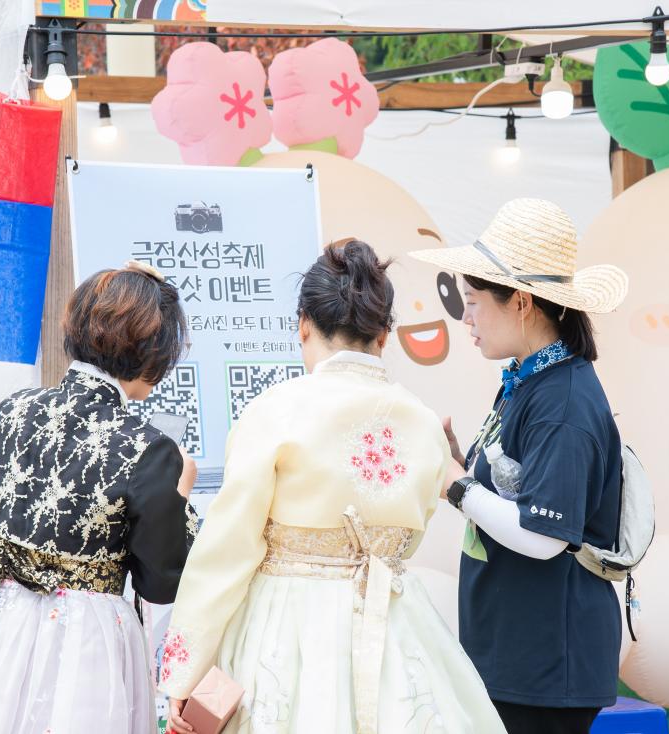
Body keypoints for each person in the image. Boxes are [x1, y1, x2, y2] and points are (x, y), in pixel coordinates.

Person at [160, 240, 505, 734]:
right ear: (384, 335)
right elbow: (413, 530)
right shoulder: (423, 422)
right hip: (394, 623)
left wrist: (183, 673)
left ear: (303, 324)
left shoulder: (275, 410)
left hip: (287, 625)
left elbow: (227, 550)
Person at [0, 261, 196, 734]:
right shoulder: (149, 449)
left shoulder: (12, 410)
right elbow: (160, 581)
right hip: (87, 639)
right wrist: (181, 499)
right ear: (152, 354)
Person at [409, 198, 629, 734]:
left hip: (546, 664)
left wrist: (457, 486)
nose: (465, 319)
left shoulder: (564, 401)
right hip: (519, 652)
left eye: (474, 302)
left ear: (523, 303)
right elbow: (515, 495)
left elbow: (544, 537)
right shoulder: (532, 380)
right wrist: (461, 464)